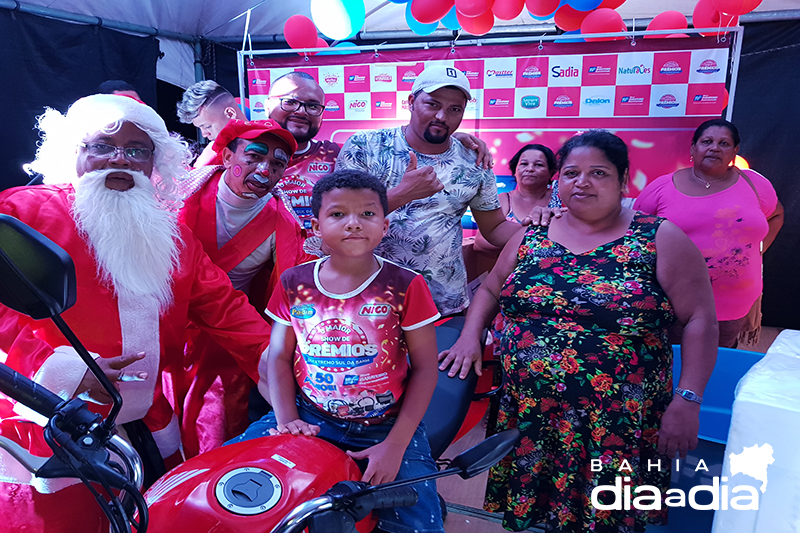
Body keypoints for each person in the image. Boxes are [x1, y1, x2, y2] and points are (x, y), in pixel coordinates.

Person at [0, 94, 273, 532]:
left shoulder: (171, 233)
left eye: (136, 150)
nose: (119, 160)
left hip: (147, 423)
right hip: (41, 422)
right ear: (75, 152)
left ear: (154, 162)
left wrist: (301, 370)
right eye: (102, 147)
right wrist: (64, 369)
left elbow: (229, 312)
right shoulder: (23, 212)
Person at [439, 130, 718, 532]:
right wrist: (470, 334)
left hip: (616, 422)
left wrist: (688, 398)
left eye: (598, 173)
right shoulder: (531, 235)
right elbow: (490, 288)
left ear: (623, 181)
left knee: (607, 516)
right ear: (558, 182)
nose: (582, 183)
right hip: (533, 414)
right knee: (540, 512)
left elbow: (700, 321)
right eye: (571, 173)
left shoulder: (658, 238)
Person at [230, 169, 444, 533]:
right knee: (227, 473)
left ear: (385, 225)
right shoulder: (293, 282)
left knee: (418, 524)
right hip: (308, 416)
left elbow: (426, 369)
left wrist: (395, 445)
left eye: (367, 214)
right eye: (338, 214)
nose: (354, 224)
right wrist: (285, 420)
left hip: (385, 425)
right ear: (315, 227)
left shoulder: (406, 285)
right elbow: (279, 357)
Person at [336, 65, 530, 317]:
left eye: (454, 109)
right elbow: (340, 218)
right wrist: (402, 194)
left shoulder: (473, 161)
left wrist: (545, 230)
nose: (442, 116)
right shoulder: (365, 146)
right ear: (411, 102)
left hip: (442, 304)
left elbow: (494, 229)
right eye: (432, 104)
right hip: (367, 299)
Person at [171, 118, 314, 457]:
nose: (265, 169)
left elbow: (293, 288)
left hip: (227, 330)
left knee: (216, 422)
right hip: (170, 323)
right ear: (226, 158)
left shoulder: (285, 224)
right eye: (253, 157)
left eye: (277, 164)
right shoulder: (178, 199)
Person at [269, 71, 495, 234]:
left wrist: (452, 138)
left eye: (312, 106)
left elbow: (493, 227)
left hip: (320, 266)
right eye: (290, 102)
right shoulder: (244, 151)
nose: (301, 111)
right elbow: (347, 216)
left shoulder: (332, 153)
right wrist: (404, 193)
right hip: (262, 266)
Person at [634, 119, 784, 348]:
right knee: (673, 355)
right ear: (693, 148)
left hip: (735, 299)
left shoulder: (756, 185)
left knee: (720, 354)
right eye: (707, 141)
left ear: (735, 151)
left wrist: (758, 252)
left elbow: (776, 215)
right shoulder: (662, 188)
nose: (714, 147)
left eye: (724, 143)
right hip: (675, 296)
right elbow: (635, 233)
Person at [474, 143, 561, 254]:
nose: (530, 169)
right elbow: (480, 243)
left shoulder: (561, 198)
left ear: (551, 172)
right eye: (524, 164)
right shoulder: (503, 200)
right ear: (515, 170)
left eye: (538, 165)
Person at [176, 80, 246, 167]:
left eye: (207, 126)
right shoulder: (211, 156)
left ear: (230, 114)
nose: (204, 134)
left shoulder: (211, 159)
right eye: (199, 128)